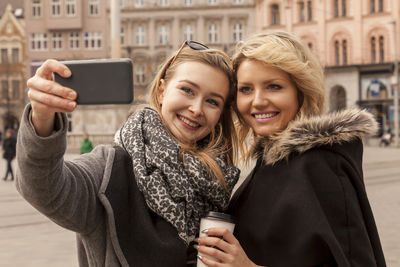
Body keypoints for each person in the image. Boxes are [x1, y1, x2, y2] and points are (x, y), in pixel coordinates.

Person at [16, 41, 240, 267]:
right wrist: (42, 118)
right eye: (187, 90)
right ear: (162, 91)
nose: (197, 109)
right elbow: (44, 189)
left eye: (212, 101)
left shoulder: (219, 181)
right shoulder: (111, 168)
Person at [196, 31, 387, 267]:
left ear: (301, 91)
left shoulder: (321, 163)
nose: (257, 101)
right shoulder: (272, 160)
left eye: (274, 86)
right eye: (246, 89)